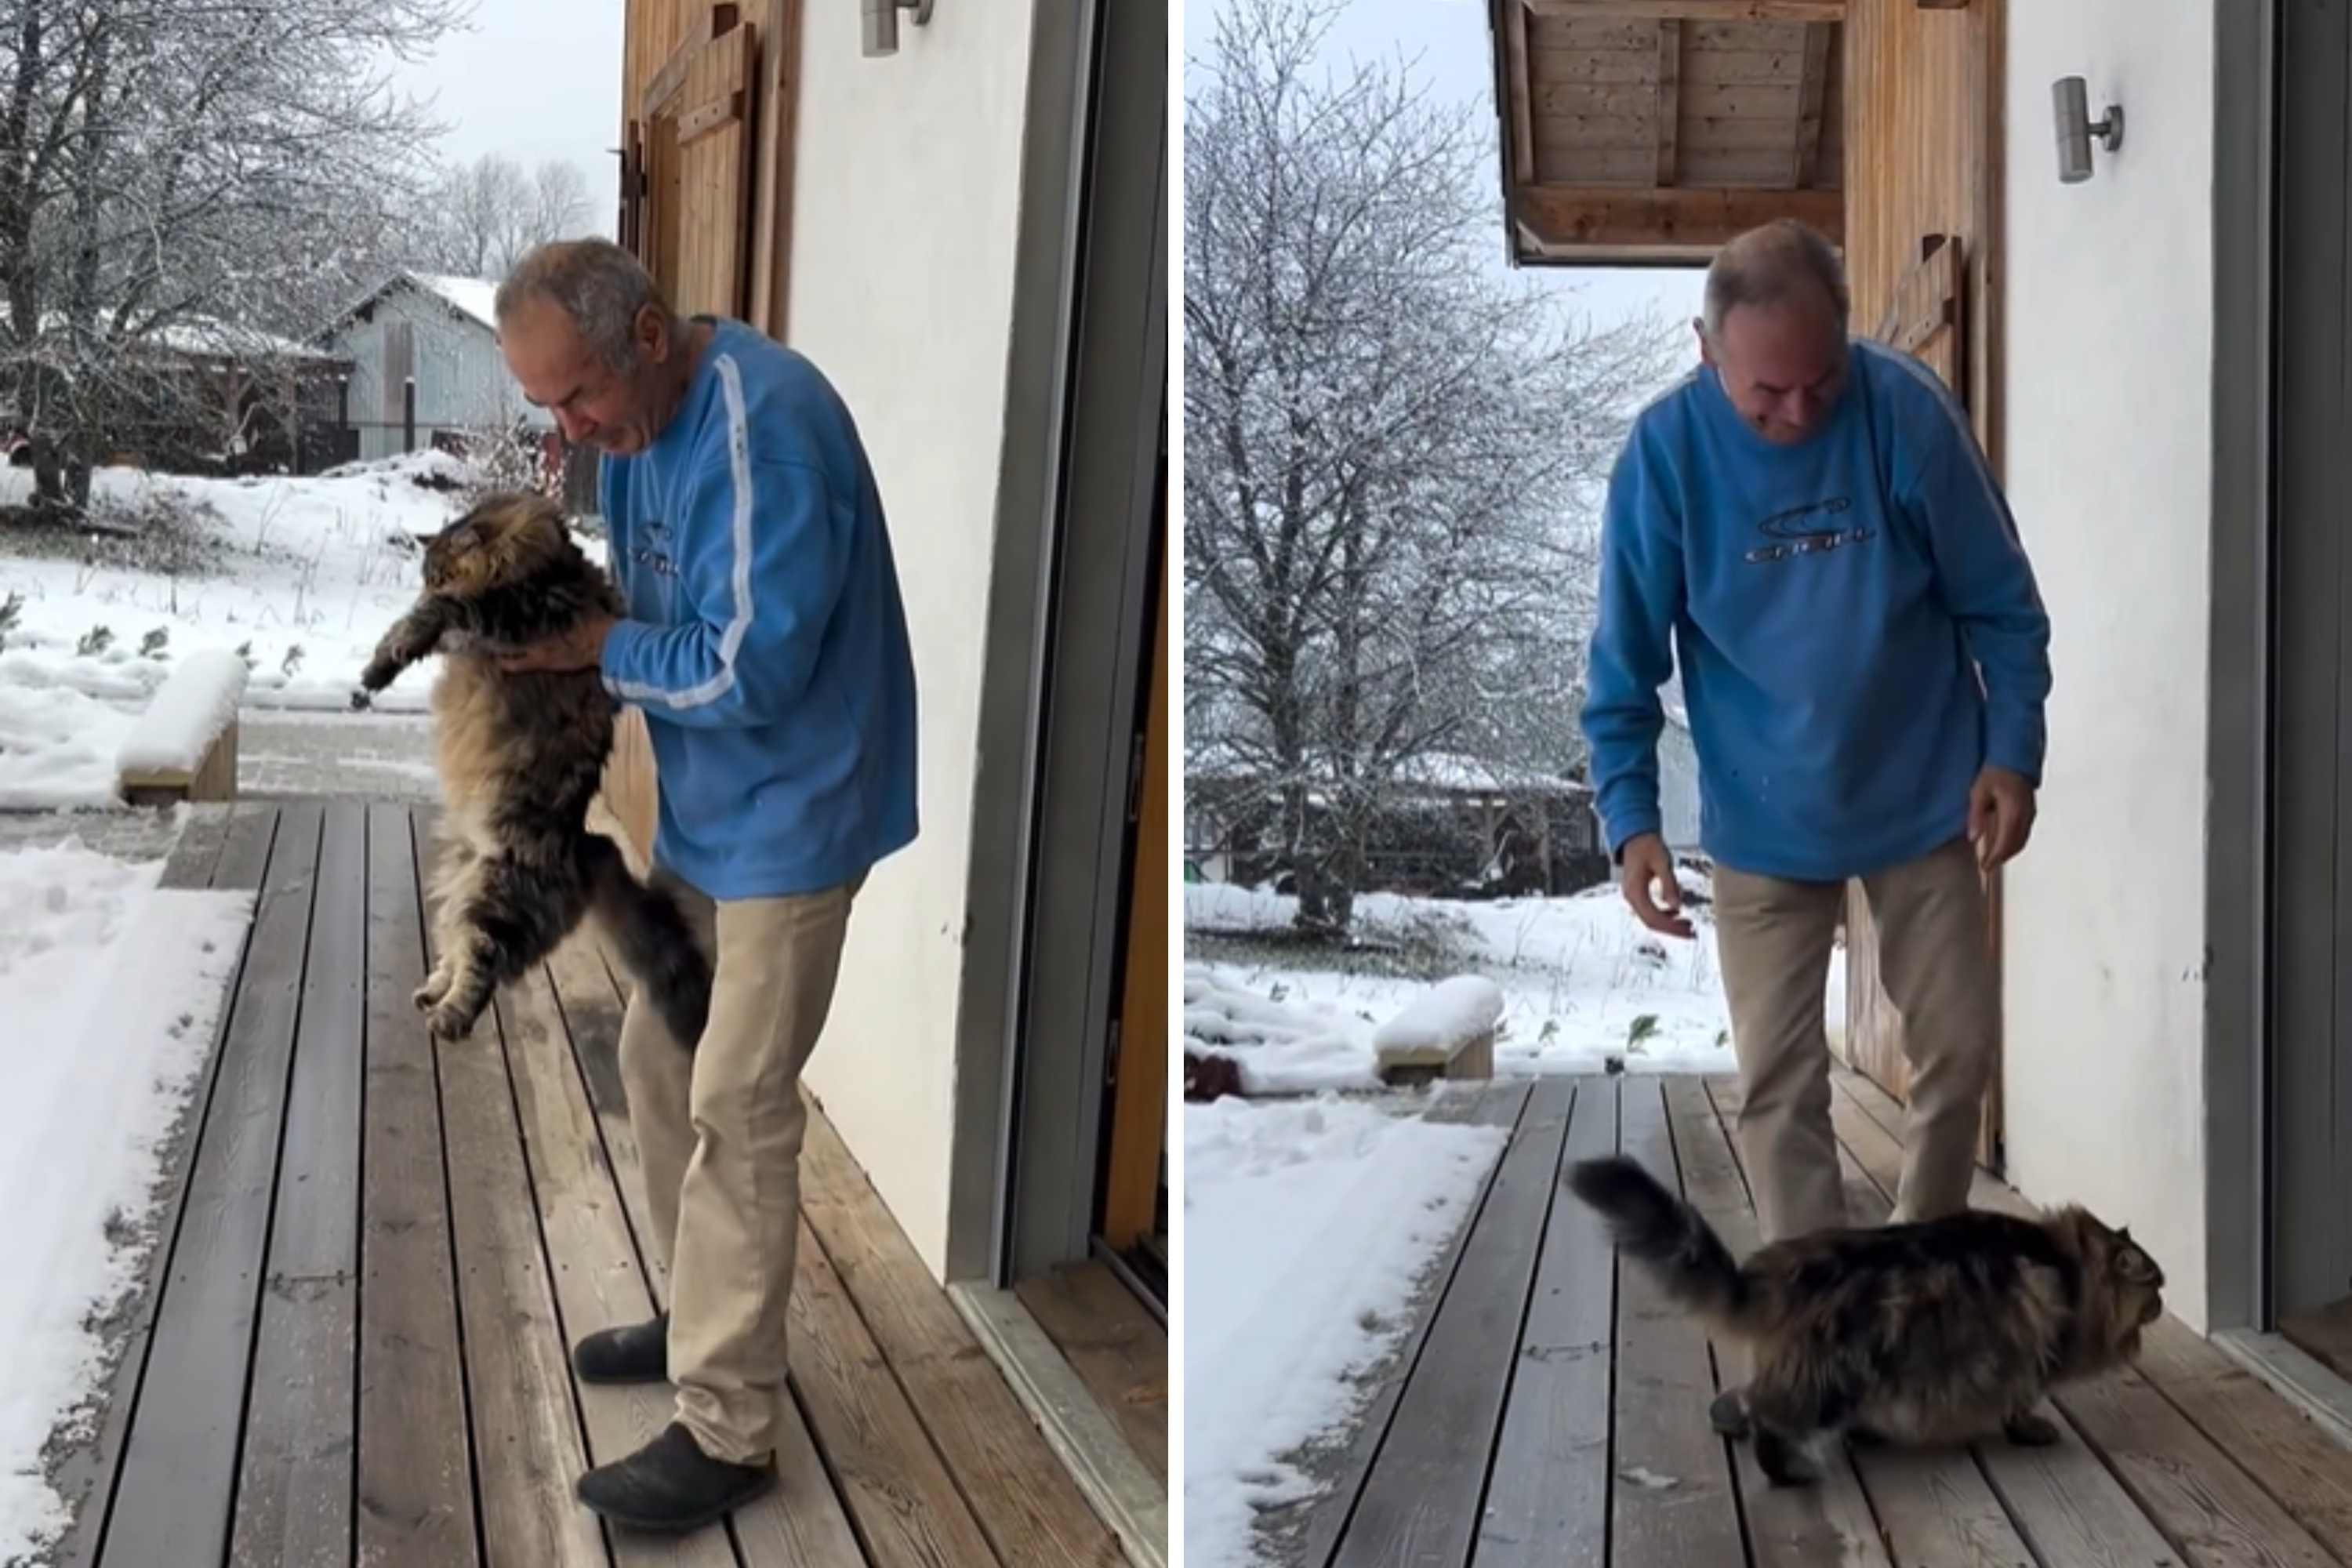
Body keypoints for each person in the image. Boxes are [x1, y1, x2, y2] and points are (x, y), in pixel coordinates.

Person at [1578, 220, 2052, 1435]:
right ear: (1705, 351)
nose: (1796, 412)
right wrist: (1630, 818)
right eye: (1764, 391)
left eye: (1819, 380)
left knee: (1956, 1058)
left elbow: (2003, 606)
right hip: (1763, 819)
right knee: (1780, 1084)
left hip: (1924, 795)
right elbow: (1621, 667)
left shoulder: (1904, 415)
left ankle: (1924, 1318)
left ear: (1849, 343)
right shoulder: (1668, 457)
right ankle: (1812, 1345)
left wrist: (2012, 754)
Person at [488, 238, 920, 1533]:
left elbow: (751, 672)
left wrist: (600, 650)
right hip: (713, 812)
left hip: (800, 809)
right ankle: (701, 1318)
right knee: (662, 1061)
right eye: (544, 408)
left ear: (651, 337)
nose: (567, 430)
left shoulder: (763, 424)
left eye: (576, 397)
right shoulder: (634, 437)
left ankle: (729, 1428)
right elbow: (635, 604)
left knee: (737, 1100)